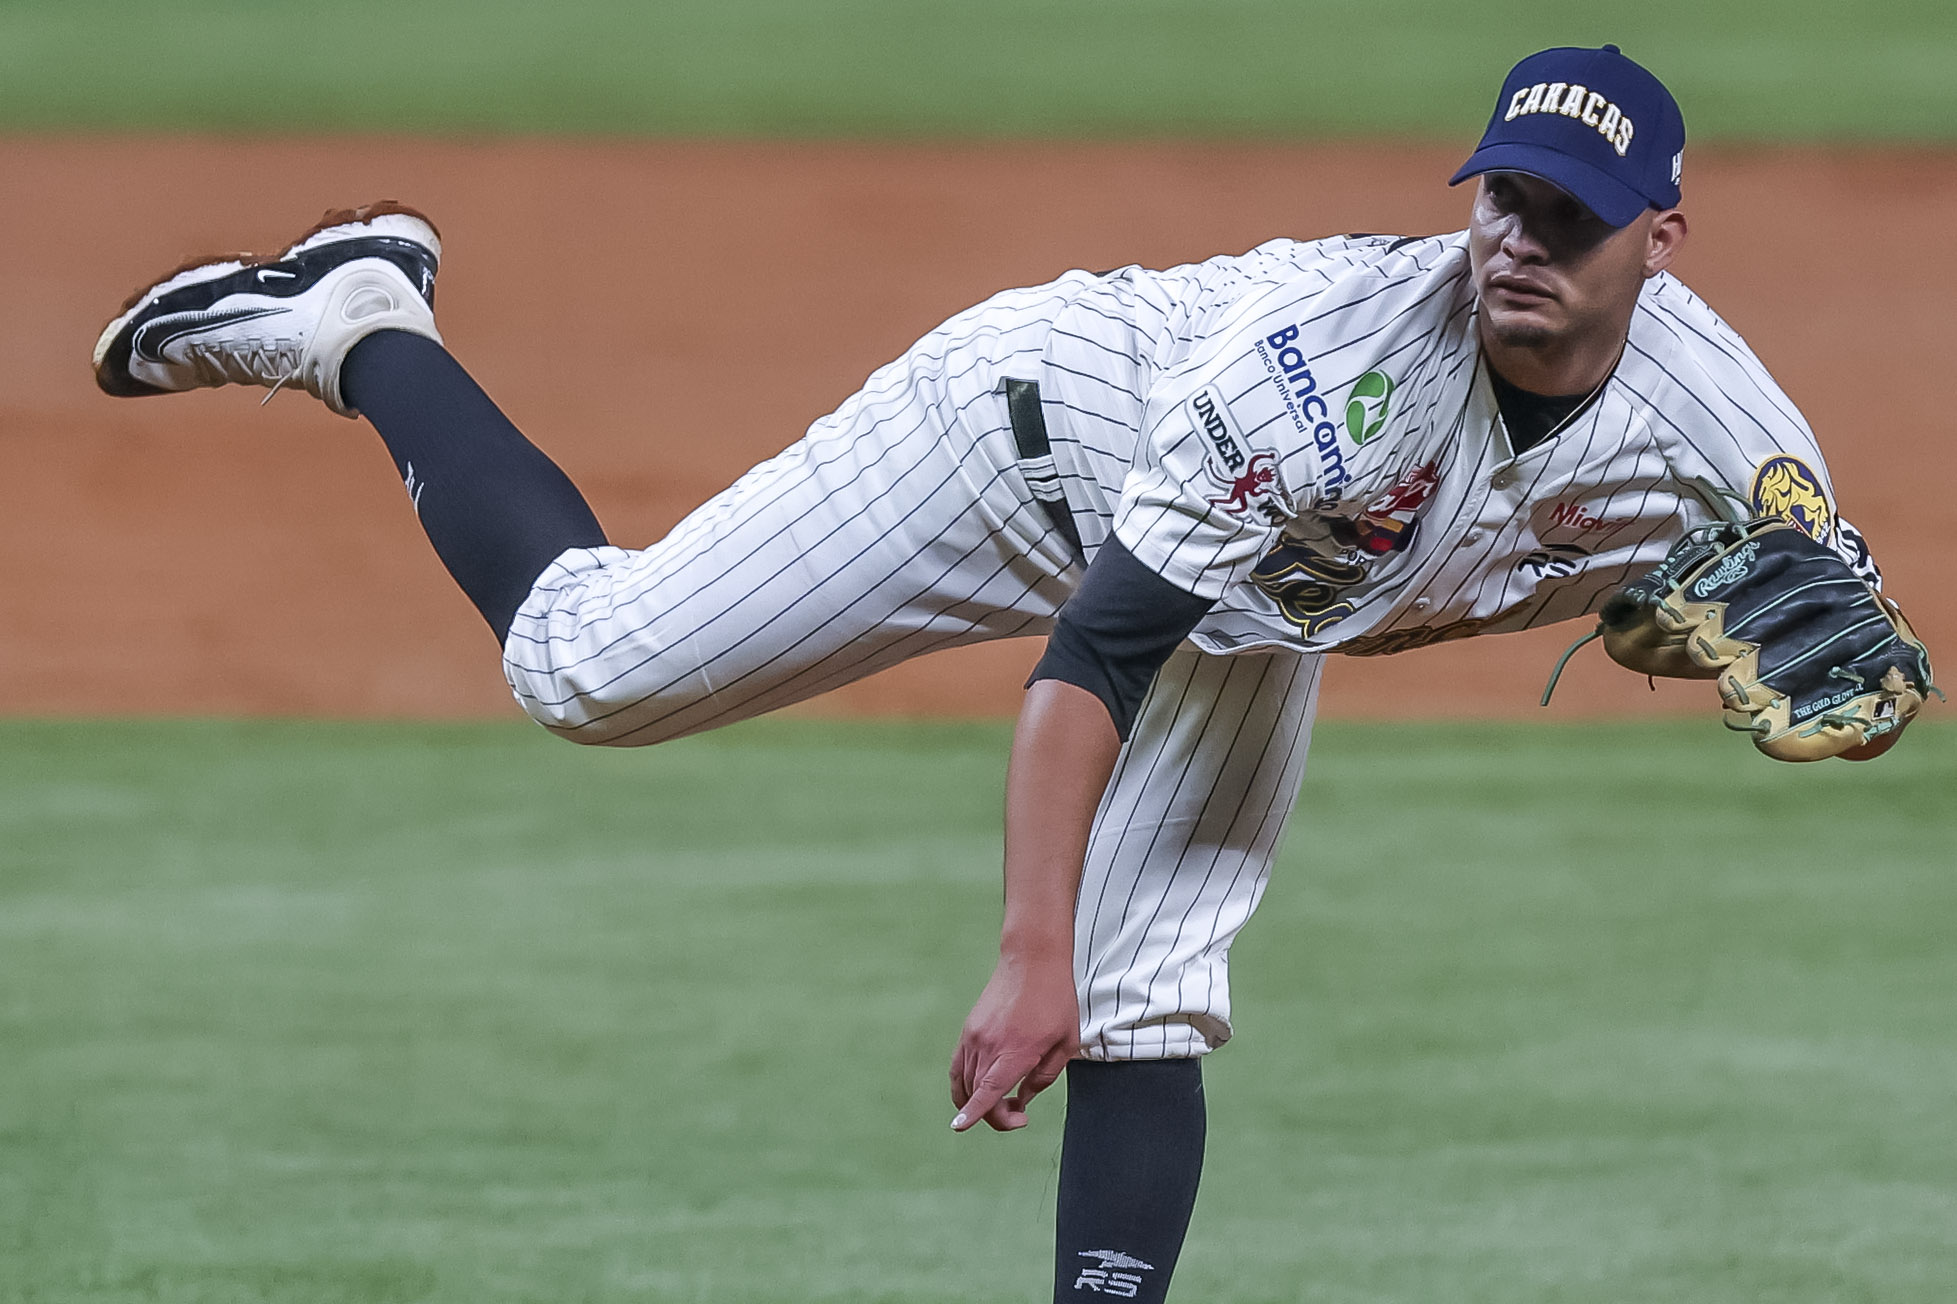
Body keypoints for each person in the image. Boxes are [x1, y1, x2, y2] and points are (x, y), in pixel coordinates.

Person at [93, 44, 1892, 1302]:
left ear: (1658, 239)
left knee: (1156, 985)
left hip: (1254, 594)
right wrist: (1026, 951)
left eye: (1566, 217)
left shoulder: (1724, 429)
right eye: (1500, 196)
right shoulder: (1328, 367)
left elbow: (1829, 636)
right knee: (585, 669)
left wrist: (1715, 655)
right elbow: (1093, 656)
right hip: (1019, 449)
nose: (1516, 239)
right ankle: (360, 318)